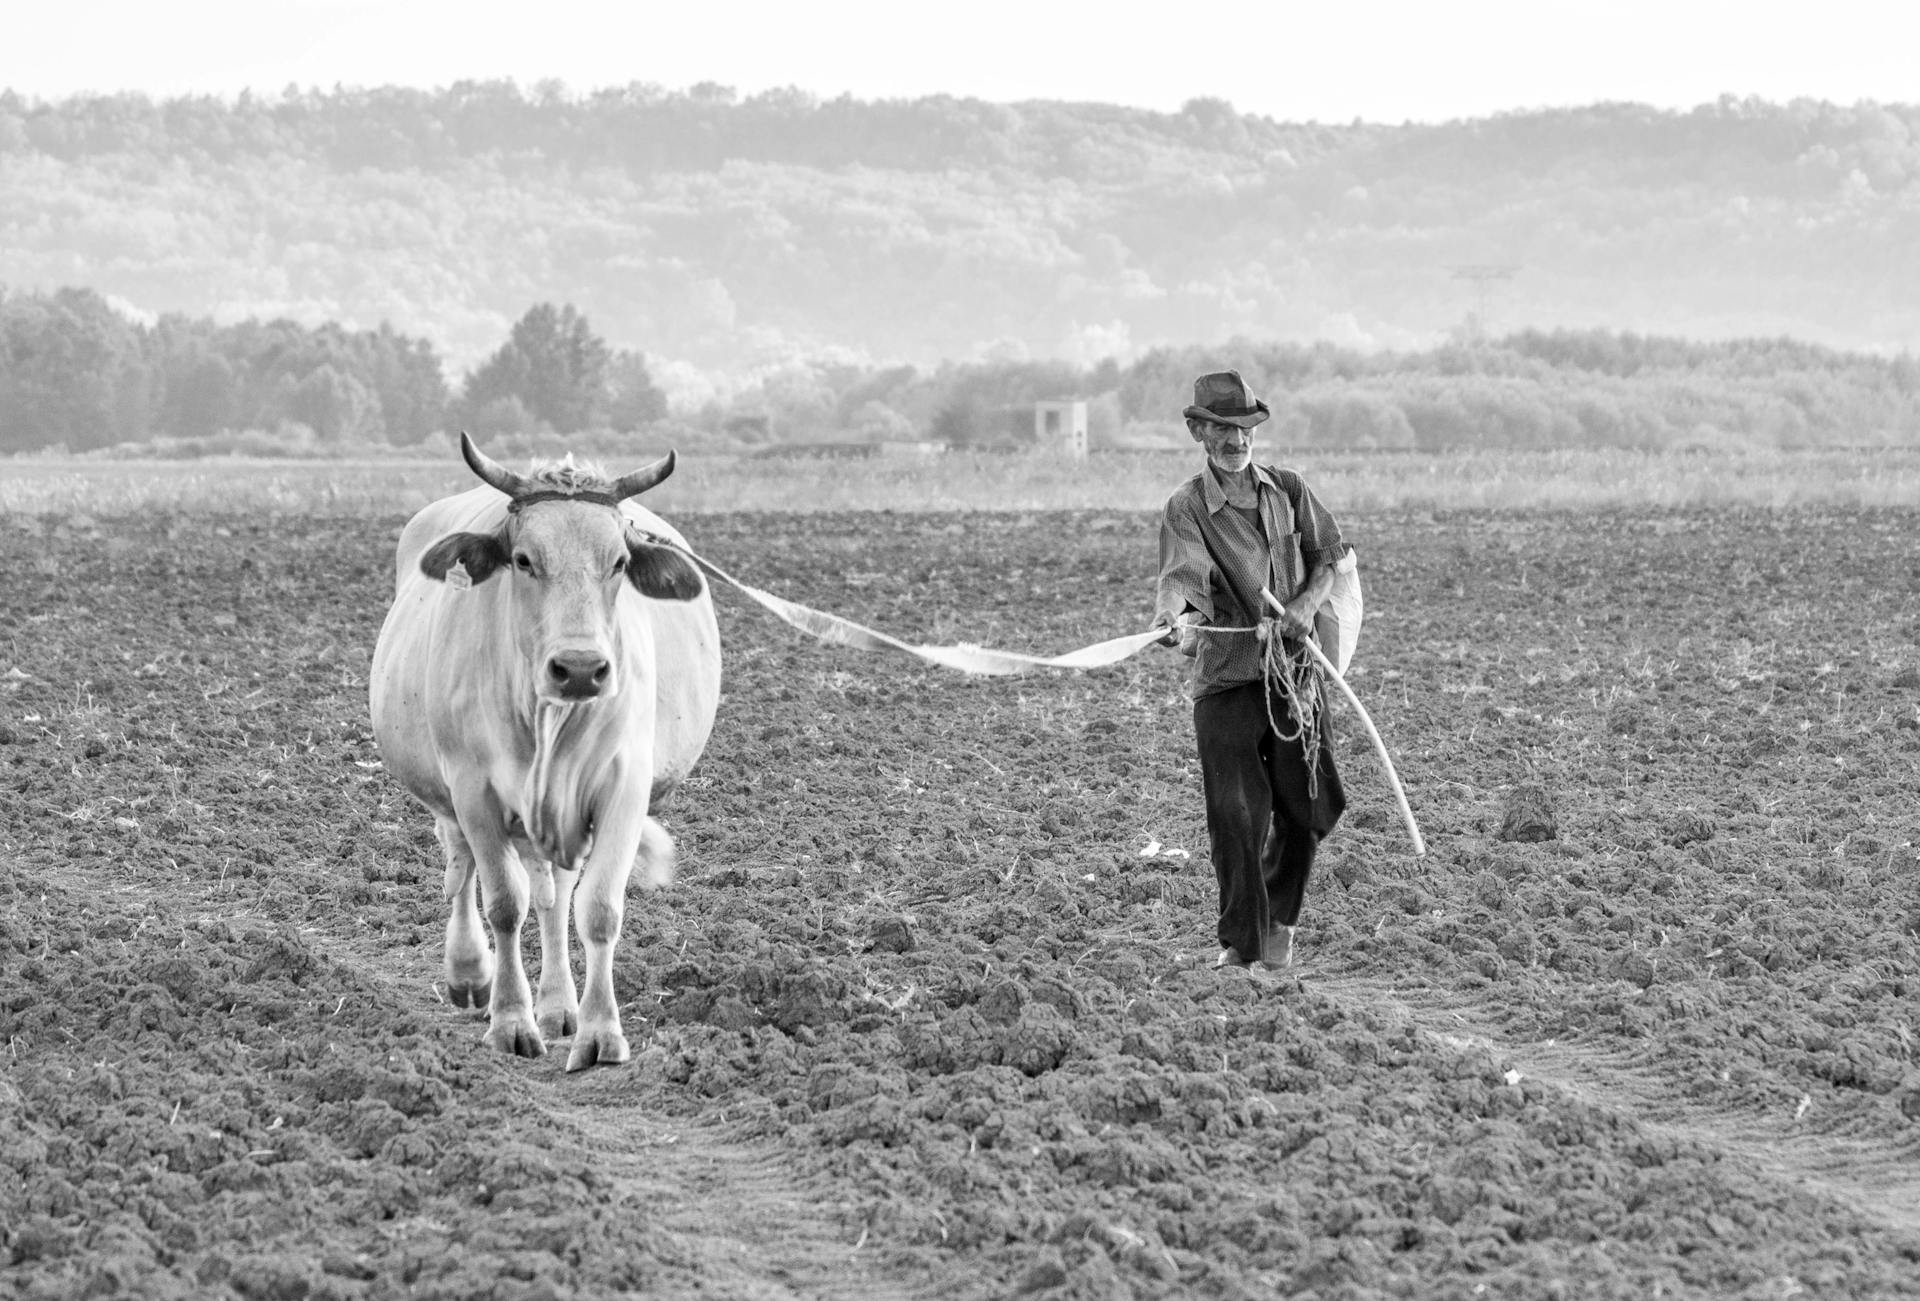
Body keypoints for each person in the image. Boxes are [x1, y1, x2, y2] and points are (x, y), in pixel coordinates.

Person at [1153, 369, 1349, 973]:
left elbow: (1328, 560)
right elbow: (1182, 581)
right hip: (1229, 680)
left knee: (1310, 807)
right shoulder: (1188, 508)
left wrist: (1303, 608)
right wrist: (1179, 623)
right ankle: (1242, 944)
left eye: (1244, 428)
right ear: (1197, 432)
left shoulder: (1288, 490)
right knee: (1237, 817)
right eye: (1222, 429)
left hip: (1294, 676)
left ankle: (1278, 923)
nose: (1237, 440)